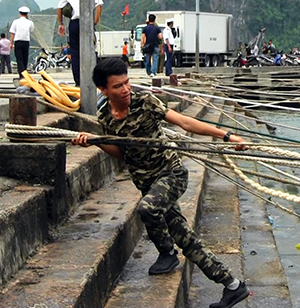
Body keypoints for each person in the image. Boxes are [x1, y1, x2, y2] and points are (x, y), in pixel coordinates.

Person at [71, 58, 250, 308]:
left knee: (147, 208)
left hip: (171, 173)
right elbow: (122, 154)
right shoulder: (105, 117)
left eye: (127, 82)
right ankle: (233, 285)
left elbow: (185, 122)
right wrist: (95, 141)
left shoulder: (145, 103)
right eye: (117, 86)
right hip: (146, 181)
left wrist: (227, 135)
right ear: (104, 89)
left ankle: (166, 252)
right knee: (185, 238)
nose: (125, 89)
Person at [57, 0, 104, 86]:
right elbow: (99, 4)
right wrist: (95, 21)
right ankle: (91, 78)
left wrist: (61, 24)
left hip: (74, 24)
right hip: (87, 23)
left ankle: (78, 81)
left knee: (75, 51)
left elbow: (60, 8)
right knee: (90, 50)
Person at [9, 6, 34, 77]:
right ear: (27, 14)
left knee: (19, 58)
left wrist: (11, 43)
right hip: (26, 42)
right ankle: (24, 72)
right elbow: (31, 30)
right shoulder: (30, 22)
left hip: (18, 42)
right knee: (25, 58)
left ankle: (21, 74)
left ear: (19, 13)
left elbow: (12, 33)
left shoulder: (15, 22)